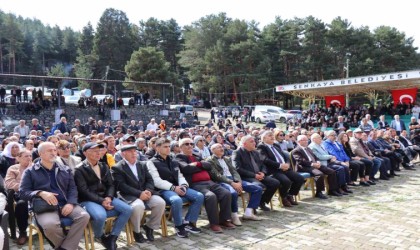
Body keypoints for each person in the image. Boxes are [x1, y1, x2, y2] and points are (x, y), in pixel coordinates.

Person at [19, 142, 90, 250]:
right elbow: (23, 192)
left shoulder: (65, 169)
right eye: (49, 151)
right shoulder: (30, 172)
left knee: (84, 216)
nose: (53, 153)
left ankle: (65, 248)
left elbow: (72, 188)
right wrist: (40, 193)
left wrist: (70, 203)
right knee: (49, 225)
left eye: (54, 150)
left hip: (66, 203)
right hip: (45, 207)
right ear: (40, 154)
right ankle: (71, 247)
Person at [74, 142, 132, 250]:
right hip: (88, 200)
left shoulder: (103, 165)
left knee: (127, 209)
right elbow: (84, 191)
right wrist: (102, 201)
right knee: (101, 216)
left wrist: (109, 197)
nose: (98, 153)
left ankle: (112, 237)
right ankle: (100, 236)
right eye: (94, 151)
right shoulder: (79, 169)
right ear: (85, 153)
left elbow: (111, 184)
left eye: (99, 150)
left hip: (105, 197)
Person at [146, 138, 204, 238]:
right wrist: (174, 188)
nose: (168, 149)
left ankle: (188, 222)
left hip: (178, 186)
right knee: (176, 200)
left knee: (199, 196)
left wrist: (184, 186)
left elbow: (180, 176)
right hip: (163, 190)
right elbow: (157, 181)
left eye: (169, 146)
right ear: (158, 148)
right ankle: (179, 226)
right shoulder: (151, 162)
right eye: (165, 147)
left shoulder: (173, 160)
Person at [176, 138, 235, 233]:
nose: (190, 145)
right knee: (211, 196)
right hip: (196, 184)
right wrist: (201, 166)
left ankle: (223, 220)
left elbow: (208, 165)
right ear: (180, 147)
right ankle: (214, 223)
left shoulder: (197, 155)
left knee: (226, 193)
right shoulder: (179, 157)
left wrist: (196, 164)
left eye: (191, 143)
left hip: (209, 182)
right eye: (186, 144)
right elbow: (186, 169)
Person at [112, 145, 165, 243]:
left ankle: (150, 227)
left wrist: (148, 190)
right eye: (130, 151)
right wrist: (139, 193)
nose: (133, 153)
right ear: (123, 154)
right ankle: (136, 231)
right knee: (138, 206)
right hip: (128, 195)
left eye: (134, 151)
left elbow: (150, 179)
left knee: (160, 202)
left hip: (145, 193)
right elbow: (121, 186)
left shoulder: (142, 164)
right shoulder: (117, 167)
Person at [207, 143, 262, 223]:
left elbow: (234, 171)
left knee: (257, 189)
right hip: (222, 181)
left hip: (234, 180)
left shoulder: (226, 158)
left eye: (222, 146)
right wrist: (232, 183)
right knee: (233, 193)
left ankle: (248, 213)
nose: (222, 148)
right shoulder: (210, 160)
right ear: (213, 150)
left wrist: (238, 181)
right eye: (218, 147)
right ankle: (234, 214)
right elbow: (216, 175)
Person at [232, 135, 281, 210]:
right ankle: (252, 208)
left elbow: (263, 164)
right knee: (258, 186)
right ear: (245, 144)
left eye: (254, 141)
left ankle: (261, 202)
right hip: (246, 177)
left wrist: (263, 172)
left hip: (259, 175)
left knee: (275, 183)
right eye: (251, 142)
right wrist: (254, 175)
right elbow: (238, 168)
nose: (254, 143)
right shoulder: (237, 152)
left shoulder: (255, 152)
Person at [257, 131, 305, 206]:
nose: (272, 137)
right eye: (270, 135)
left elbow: (284, 156)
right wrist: (280, 165)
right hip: (273, 170)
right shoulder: (261, 146)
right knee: (286, 181)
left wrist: (287, 164)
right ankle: (284, 198)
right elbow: (265, 160)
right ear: (264, 138)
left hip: (284, 168)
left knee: (300, 178)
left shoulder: (276, 145)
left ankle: (290, 195)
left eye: (272, 135)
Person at [291, 135, 340, 199]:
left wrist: (317, 161)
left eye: (306, 140)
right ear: (299, 141)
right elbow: (301, 161)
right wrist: (313, 164)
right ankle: (319, 192)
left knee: (331, 171)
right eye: (304, 140)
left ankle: (332, 190)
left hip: (314, 164)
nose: (306, 141)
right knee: (319, 174)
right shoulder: (296, 150)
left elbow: (315, 157)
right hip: (304, 167)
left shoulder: (308, 148)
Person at [4, 148, 33, 245]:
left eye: (30, 156)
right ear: (18, 158)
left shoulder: (37, 167)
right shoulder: (13, 168)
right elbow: (9, 184)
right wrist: (25, 186)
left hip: (37, 193)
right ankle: (23, 232)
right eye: (26, 156)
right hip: (21, 195)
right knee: (21, 204)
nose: (29, 158)